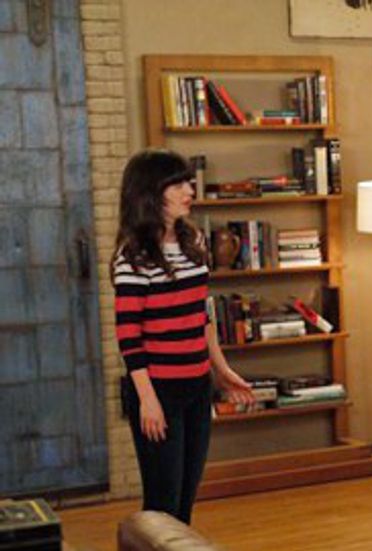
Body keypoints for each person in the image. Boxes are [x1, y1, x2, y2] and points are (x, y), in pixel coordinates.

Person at [112, 149, 254, 523]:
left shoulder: (194, 243)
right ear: (149, 192)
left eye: (189, 182)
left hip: (197, 386)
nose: (190, 191)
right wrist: (148, 400)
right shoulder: (133, 256)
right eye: (177, 184)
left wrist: (221, 370)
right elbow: (128, 336)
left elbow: (200, 316)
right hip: (158, 391)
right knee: (163, 507)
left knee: (185, 505)